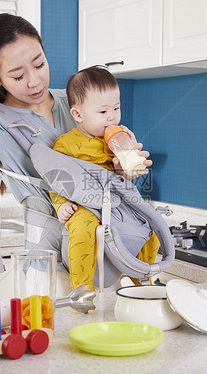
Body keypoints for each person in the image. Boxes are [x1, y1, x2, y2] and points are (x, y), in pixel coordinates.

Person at [0, 14, 152, 287]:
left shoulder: (76, 102)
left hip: (109, 245)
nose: (34, 81)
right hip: (47, 261)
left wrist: (121, 170)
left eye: (40, 64)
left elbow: (105, 165)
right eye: (18, 75)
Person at [50, 66, 160, 291]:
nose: (112, 117)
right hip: (84, 204)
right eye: (103, 112)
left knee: (153, 224)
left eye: (116, 108)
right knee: (82, 230)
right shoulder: (65, 144)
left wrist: (128, 165)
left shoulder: (119, 139)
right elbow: (56, 177)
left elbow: (125, 179)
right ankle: (82, 290)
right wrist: (62, 204)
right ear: (78, 114)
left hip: (118, 203)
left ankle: (141, 279)